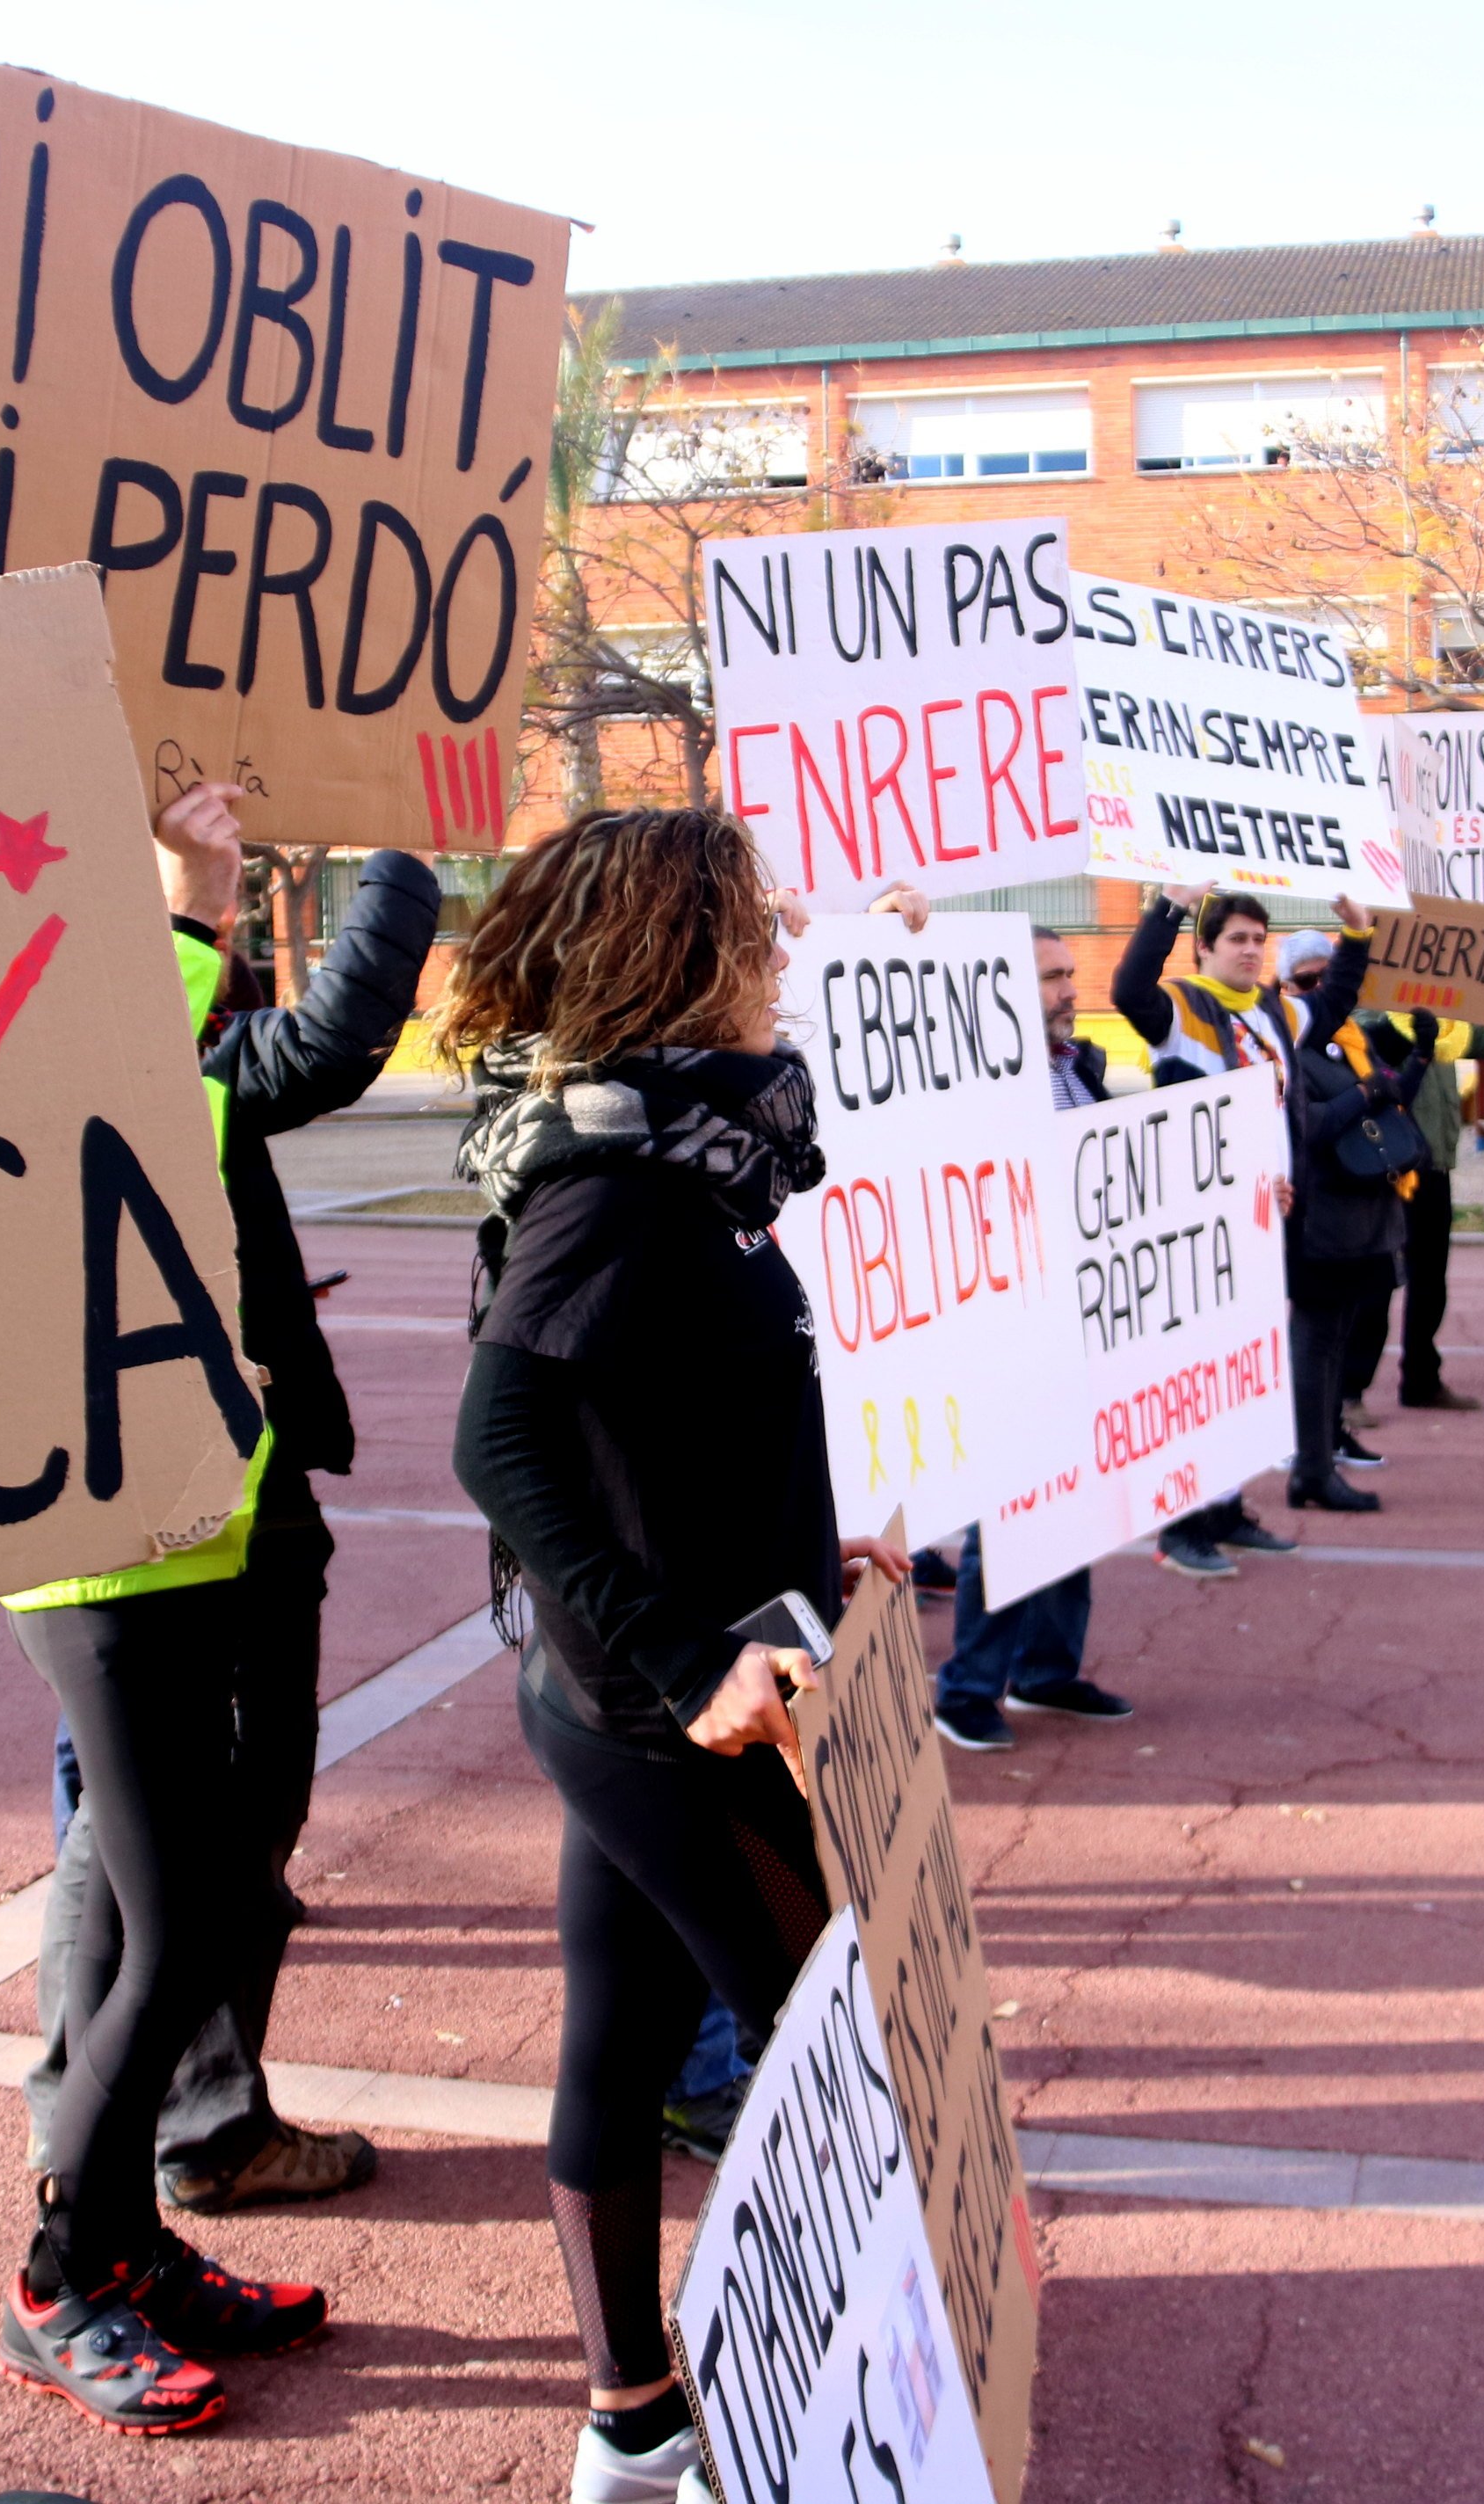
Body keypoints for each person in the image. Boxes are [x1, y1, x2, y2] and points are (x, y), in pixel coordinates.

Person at [441, 805, 902, 2504]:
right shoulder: (619, 1181)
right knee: (831, 2056)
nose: (781, 952)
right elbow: (501, 1442)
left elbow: (673, 1420)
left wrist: (804, 1553)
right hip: (668, 1719)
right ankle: (822, 2436)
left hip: (661, 1690)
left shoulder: (698, 1158)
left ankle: (633, 2427)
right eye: (753, 927)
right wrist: (687, 1653)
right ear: (682, 954)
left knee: (623, 2042)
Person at [0, 787, 439, 2435]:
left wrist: (199, 896)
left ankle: (127, 2243)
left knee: (195, 1904)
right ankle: (58, 2279)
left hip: (209, 1524)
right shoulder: (35, 1057)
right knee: (172, 1921)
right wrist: (195, 903)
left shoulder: (143, 1042)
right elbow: (152, 1073)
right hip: (99, 1546)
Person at [930, 926, 1126, 1752]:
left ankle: (1046, 1669)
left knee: (1077, 1499)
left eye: (1070, 974)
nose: (1070, 990)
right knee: (1009, 1512)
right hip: (1011, 1327)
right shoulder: (975, 1087)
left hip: (1084, 1320)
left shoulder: (1079, 1070)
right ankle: (969, 1689)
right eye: (1051, 978)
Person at [1108, 886, 1306, 1576]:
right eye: (1236, 939)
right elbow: (1129, 991)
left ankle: (1224, 1507)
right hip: (1196, 1231)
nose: (1251, 951)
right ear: (1204, 947)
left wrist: (1365, 938)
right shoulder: (1181, 1011)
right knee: (1191, 1375)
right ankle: (1180, 1525)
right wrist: (1168, 906)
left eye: (1259, 940)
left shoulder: (1271, 1013)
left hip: (1261, 1218)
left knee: (1240, 1373)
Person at [1277, 905, 1422, 1509]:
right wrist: (1364, 1094)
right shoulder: (1287, 1047)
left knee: (1340, 1336)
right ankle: (1310, 1464)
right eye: (1306, 981)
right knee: (1315, 1340)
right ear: (1287, 990)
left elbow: (1391, 1105)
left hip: (1367, 1212)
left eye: (1325, 977)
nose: (1320, 990)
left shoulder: (1354, 1041)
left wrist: (1419, 1059)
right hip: (1321, 1218)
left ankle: (1326, 1444)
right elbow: (1308, 1126)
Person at [1348, 1001, 1484, 1415]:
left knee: (1430, 1281)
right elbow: (1373, 1042)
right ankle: (1350, 1391)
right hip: (1390, 1167)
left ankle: (1421, 1379)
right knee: (1377, 1284)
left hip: (1433, 1164)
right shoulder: (1368, 1009)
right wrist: (1413, 1026)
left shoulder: (1447, 1022)